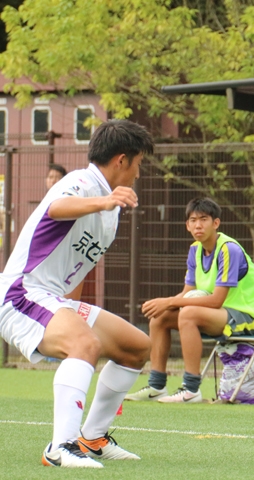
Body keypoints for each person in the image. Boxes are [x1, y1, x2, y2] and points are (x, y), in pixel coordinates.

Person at [0, 120, 154, 468]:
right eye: (139, 163)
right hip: (20, 294)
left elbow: (79, 265)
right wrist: (103, 201)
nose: (139, 173)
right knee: (84, 345)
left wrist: (74, 311)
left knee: (136, 346)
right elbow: (57, 209)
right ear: (121, 160)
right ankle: (60, 447)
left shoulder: (110, 210)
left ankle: (93, 439)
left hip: (54, 298)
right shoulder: (80, 182)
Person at [126, 197, 254, 403]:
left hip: (248, 317)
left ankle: (191, 389)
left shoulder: (229, 249)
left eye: (204, 219)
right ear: (187, 226)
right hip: (220, 315)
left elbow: (216, 300)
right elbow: (188, 292)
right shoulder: (195, 250)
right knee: (160, 318)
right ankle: (157, 386)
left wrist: (170, 301)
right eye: (193, 220)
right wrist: (165, 304)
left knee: (188, 314)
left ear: (216, 223)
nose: (198, 225)